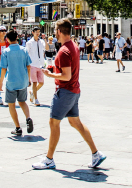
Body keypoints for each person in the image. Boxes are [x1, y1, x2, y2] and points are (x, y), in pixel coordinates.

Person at [32, 18, 105, 170]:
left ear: (59, 31)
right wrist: (54, 68)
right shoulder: (73, 46)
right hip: (74, 90)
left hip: (65, 91)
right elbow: (68, 69)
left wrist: (50, 75)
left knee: (54, 122)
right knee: (75, 122)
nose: (54, 33)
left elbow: (66, 76)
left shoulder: (64, 50)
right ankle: (96, 154)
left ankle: (49, 159)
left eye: (55, 30)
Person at [0, 30, 34, 136]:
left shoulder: (6, 51)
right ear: (17, 37)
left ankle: (18, 127)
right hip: (23, 80)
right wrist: (28, 79)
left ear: (7, 39)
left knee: (11, 104)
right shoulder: (24, 50)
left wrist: (0, 83)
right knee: (22, 102)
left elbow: (4, 68)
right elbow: (28, 66)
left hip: (11, 81)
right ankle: (28, 118)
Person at [26, 27, 46, 106]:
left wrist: (45, 39)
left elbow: (47, 48)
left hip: (40, 64)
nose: (38, 33)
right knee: (34, 82)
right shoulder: (29, 43)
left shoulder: (41, 42)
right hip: (33, 64)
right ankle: (36, 100)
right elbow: (27, 53)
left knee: (41, 83)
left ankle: (32, 93)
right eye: (36, 32)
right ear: (33, 32)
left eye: (39, 32)